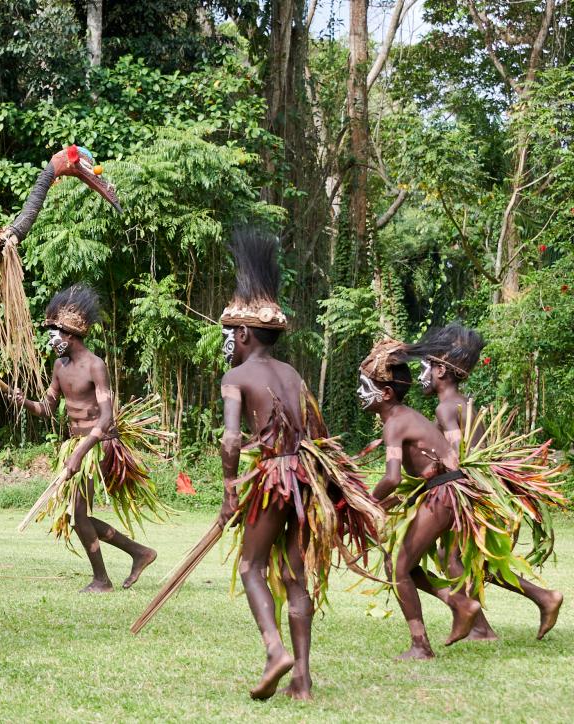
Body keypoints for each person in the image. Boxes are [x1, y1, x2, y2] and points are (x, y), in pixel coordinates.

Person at [216, 229, 383, 700]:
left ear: (244, 333)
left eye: (230, 334)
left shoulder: (236, 376)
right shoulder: (292, 374)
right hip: (306, 480)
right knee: (294, 575)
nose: (227, 342)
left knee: (251, 566)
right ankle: (303, 681)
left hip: (272, 477)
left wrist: (231, 490)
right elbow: (310, 431)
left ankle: (275, 650)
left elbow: (231, 439)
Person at [358, 337, 523, 660]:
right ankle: (460, 604)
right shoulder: (406, 416)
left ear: (387, 393)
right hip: (445, 492)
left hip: (444, 494)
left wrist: (365, 501)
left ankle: (424, 643)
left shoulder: (396, 423)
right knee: (408, 563)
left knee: (398, 565)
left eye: (366, 386)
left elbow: (392, 478)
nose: (360, 393)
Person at [408, 323, 565, 639]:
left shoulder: (445, 408)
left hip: (468, 491)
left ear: (441, 370)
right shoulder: (462, 402)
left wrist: (430, 463)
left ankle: (523, 606)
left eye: (425, 367)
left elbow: (455, 455)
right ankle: (502, 617)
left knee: (451, 557)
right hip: (480, 488)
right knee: (464, 558)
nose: (421, 375)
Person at [14, 285, 165, 592]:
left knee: (79, 515)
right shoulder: (59, 366)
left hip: (100, 445)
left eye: (54, 334)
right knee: (78, 516)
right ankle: (138, 553)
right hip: (76, 446)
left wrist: (81, 452)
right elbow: (47, 408)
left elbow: (107, 417)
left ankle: (103, 578)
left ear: (69, 334)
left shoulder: (96, 365)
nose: (51, 340)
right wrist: (23, 402)